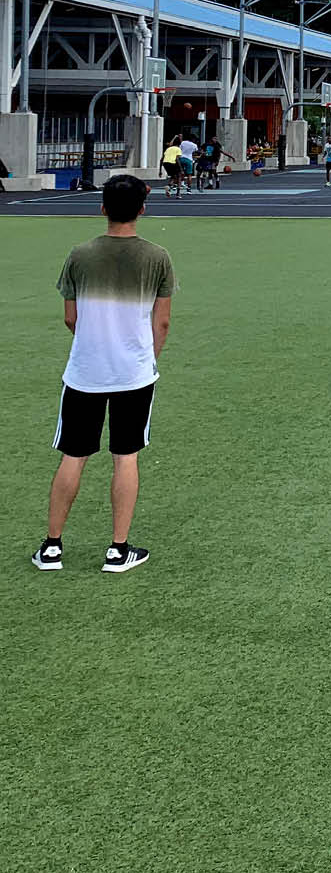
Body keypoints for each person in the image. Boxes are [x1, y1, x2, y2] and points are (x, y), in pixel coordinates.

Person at [32, 174, 174, 574]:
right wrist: (145, 356)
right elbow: (161, 324)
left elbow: (70, 318)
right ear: (143, 209)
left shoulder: (80, 255)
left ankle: (52, 547)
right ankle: (117, 549)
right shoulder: (157, 257)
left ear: (102, 208)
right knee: (125, 455)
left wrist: (96, 338)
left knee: (73, 455)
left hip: (84, 372)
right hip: (133, 374)